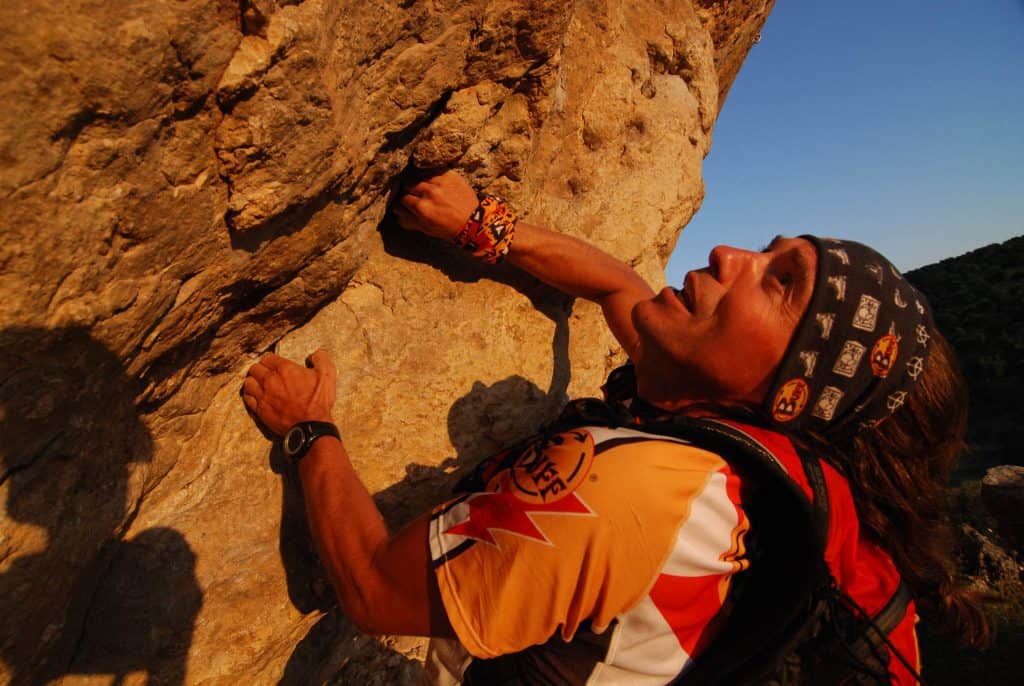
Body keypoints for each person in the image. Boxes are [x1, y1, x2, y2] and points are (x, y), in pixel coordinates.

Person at [241, 170, 988, 684]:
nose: (732, 254)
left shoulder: (634, 491)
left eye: (779, 282)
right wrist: (481, 223)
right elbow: (617, 285)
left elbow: (372, 591)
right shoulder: (756, 446)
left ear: (793, 396)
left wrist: (309, 427)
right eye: (768, 251)